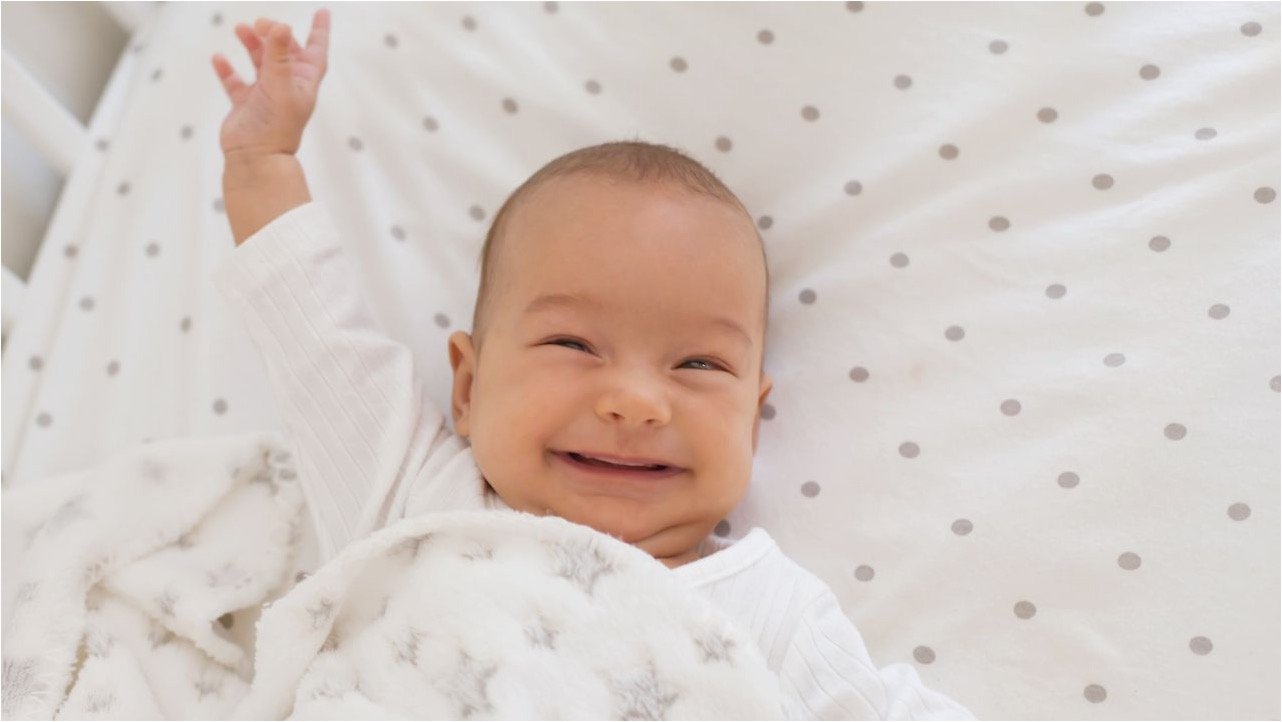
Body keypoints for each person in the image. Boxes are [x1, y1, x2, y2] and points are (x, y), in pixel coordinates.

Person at [210, 9, 976, 720]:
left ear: (754, 415)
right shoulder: (414, 494)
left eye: (699, 364)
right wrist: (261, 162)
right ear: (470, 389)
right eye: (574, 345)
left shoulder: (771, 611)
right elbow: (315, 340)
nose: (637, 402)